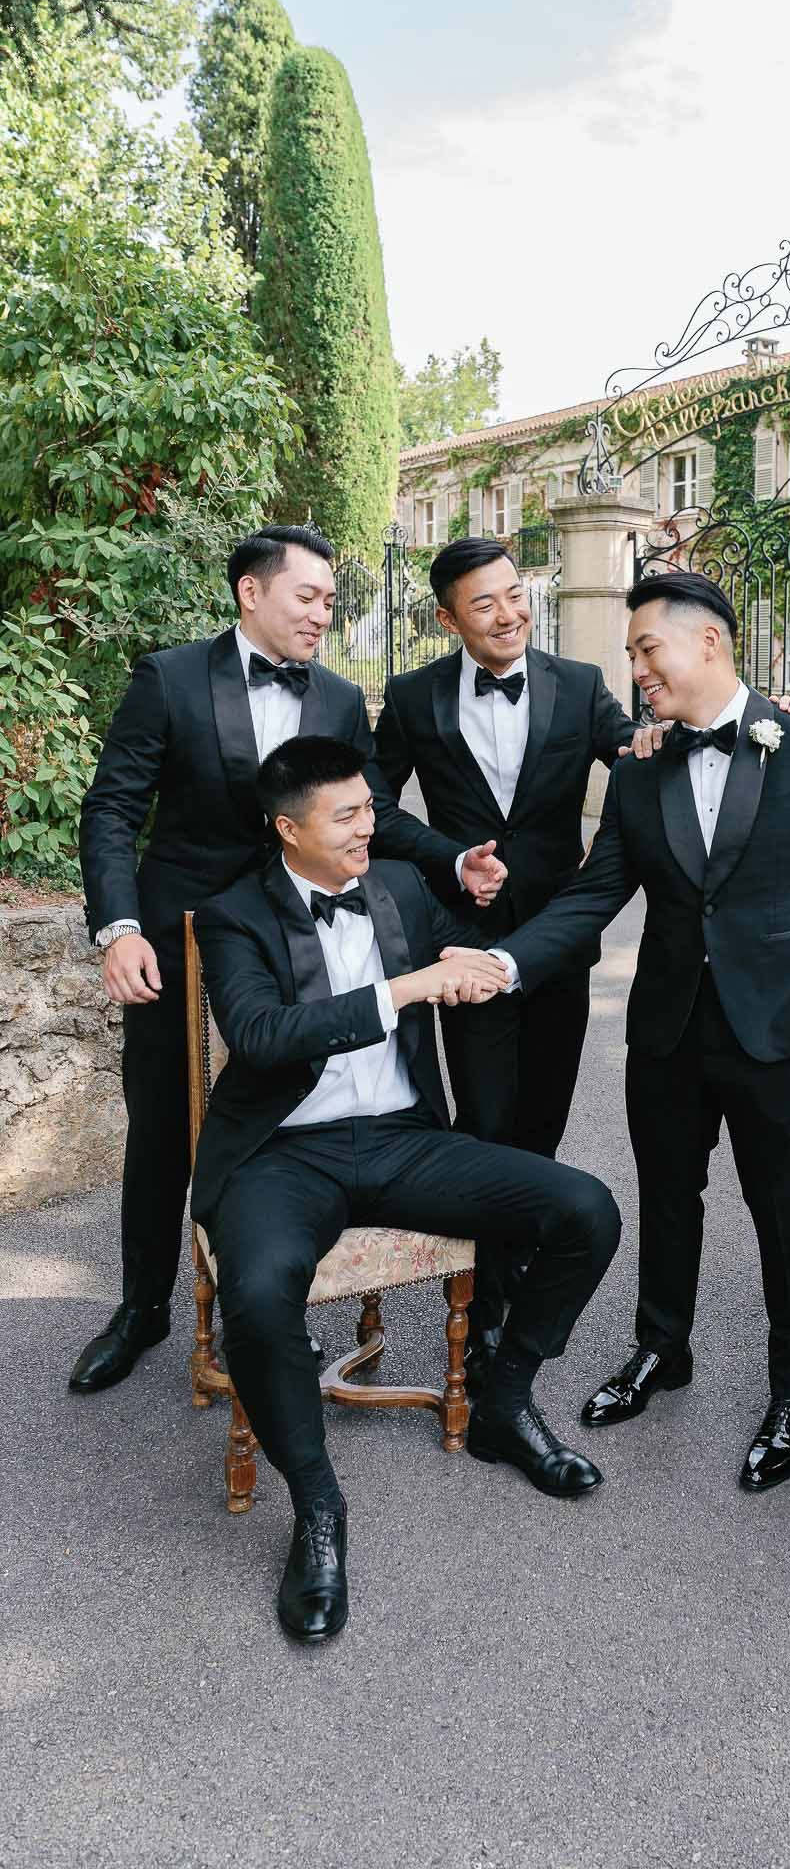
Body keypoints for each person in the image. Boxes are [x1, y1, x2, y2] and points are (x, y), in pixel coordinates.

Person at [192, 736, 620, 1642]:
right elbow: (264, 1036)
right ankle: (316, 1509)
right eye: (345, 814)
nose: (368, 825)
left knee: (584, 1210)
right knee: (260, 1293)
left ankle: (503, 1401)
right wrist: (408, 986)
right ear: (286, 828)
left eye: (368, 808)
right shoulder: (235, 915)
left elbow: (473, 957)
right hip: (282, 1152)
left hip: (400, 1140)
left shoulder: (394, 886)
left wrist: (496, 963)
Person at [491, 572, 790, 1490]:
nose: (634, 671)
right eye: (630, 654)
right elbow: (594, 895)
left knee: (784, 1214)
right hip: (665, 1025)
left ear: (708, 642)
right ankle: (661, 1349)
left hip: (780, 1026)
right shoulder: (638, 766)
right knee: (667, 1197)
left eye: (644, 650)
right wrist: (507, 962)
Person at [73, 524, 477, 1396]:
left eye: (332, 600)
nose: (324, 614)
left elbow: (370, 814)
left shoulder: (335, 695)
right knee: (162, 1127)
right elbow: (111, 810)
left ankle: (267, 1277)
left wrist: (450, 858)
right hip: (176, 938)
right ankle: (143, 1308)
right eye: (309, 596)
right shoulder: (169, 678)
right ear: (251, 592)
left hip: (301, 936)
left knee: (299, 1098)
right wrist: (119, 927)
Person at [371, 537, 660, 1384]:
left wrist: (749, 724)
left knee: (542, 1120)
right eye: (484, 603)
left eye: (515, 595)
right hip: (465, 945)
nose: (508, 615)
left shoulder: (578, 685)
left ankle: (518, 1256)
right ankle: (488, 1303)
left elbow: (637, 750)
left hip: (560, 945)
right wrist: (448, 856)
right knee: (487, 1121)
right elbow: (374, 805)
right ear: (448, 617)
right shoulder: (414, 695)